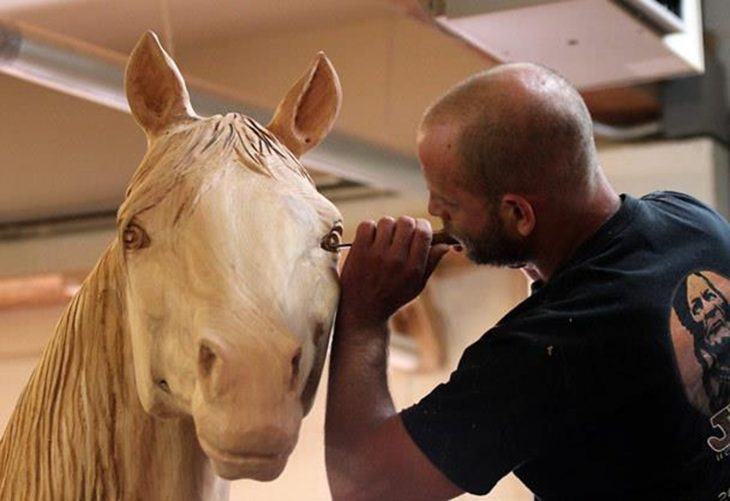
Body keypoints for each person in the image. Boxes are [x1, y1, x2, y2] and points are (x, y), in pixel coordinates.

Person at [324, 62, 730, 500]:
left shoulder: (549, 353)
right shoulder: (691, 219)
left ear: (519, 214)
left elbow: (364, 487)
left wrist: (365, 316)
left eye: (449, 204)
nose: (433, 211)